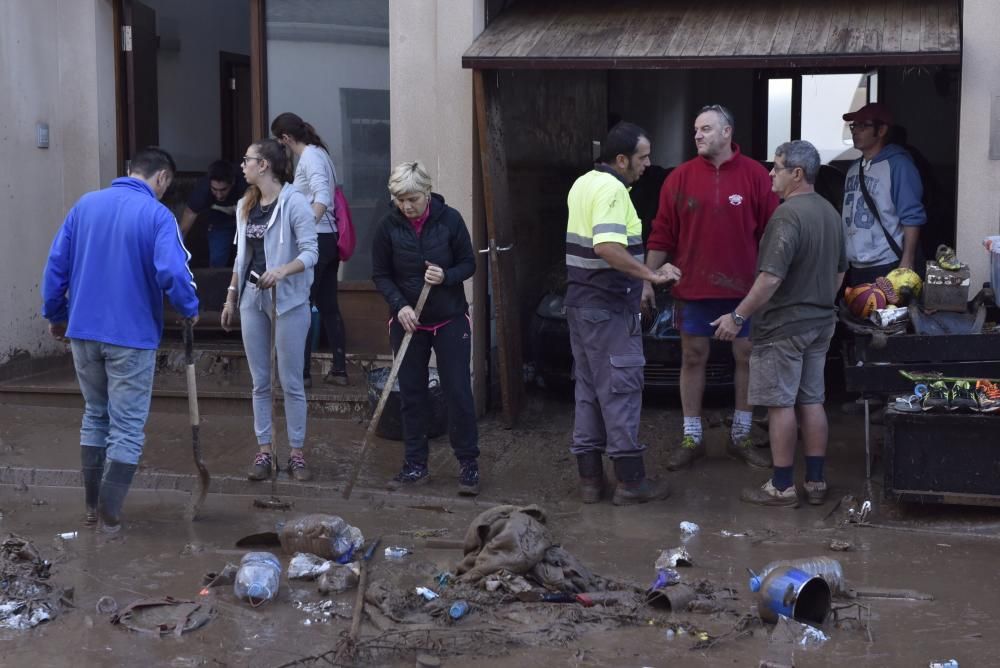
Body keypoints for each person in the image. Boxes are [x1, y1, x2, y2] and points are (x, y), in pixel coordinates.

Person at [41, 147, 199, 533]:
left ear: (129, 171)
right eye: (166, 185)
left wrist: (57, 316)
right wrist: (189, 307)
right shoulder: (158, 215)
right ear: (161, 178)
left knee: (95, 415)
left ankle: (92, 509)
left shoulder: (85, 206)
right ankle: (110, 515)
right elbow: (174, 273)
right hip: (132, 336)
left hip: (83, 331)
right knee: (126, 426)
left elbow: (56, 266)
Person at [711, 140, 847, 507]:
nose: (771, 173)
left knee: (780, 404)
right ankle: (816, 483)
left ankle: (782, 486)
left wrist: (738, 316)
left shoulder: (788, 215)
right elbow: (839, 273)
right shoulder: (830, 214)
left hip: (784, 327)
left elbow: (770, 278)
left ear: (797, 174)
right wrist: (819, 302)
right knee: (812, 399)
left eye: (778, 167)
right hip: (820, 323)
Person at [644, 104, 779, 471]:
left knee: (747, 357)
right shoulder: (679, 178)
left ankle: (741, 436)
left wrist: (771, 282)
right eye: (695, 130)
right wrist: (646, 278)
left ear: (727, 132)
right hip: (693, 288)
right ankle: (692, 437)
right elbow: (661, 234)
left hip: (745, 290)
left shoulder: (755, 176)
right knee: (692, 358)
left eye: (705, 129)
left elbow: (773, 233)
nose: (698, 135)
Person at [565, 122, 680, 506]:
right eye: (642, 157)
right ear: (621, 159)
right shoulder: (614, 190)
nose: (648, 164)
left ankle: (590, 482)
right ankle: (631, 483)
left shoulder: (583, 183)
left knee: (588, 393)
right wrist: (651, 275)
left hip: (581, 306)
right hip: (609, 308)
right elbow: (607, 247)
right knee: (621, 392)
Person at [372, 161, 480, 496]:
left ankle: (468, 465)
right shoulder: (388, 226)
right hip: (408, 322)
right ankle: (415, 465)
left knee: (458, 391)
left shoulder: (450, 220)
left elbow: (469, 263)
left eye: (412, 198)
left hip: (449, 318)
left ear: (427, 192)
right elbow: (381, 274)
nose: (406, 206)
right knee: (411, 395)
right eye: (400, 199)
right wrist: (399, 305)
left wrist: (446, 275)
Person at [220, 139, 318, 482]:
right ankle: (265, 450)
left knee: (291, 381)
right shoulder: (245, 205)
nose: (243, 165)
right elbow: (240, 256)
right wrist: (231, 296)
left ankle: (296, 453)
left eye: (248, 160)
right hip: (252, 298)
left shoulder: (296, 204)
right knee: (260, 381)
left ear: (264, 165)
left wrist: (282, 270)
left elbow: (310, 253)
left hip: (289, 301)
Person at [271, 112, 348, 388]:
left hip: (317, 240)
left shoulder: (311, 157)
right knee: (328, 305)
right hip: (328, 239)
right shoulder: (321, 154)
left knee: (301, 306)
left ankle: (301, 374)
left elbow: (322, 199)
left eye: (279, 142)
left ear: (286, 138)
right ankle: (339, 370)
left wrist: (304, 233)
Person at [841, 102, 926, 285]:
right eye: (854, 126)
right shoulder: (853, 168)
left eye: (863, 125)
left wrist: (907, 260)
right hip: (855, 264)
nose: (855, 131)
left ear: (881, 130)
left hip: (887, 263)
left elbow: (911, 216)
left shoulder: (899, 166)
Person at [178, 160, 247, 268]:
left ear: (232, 182)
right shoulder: (202, 192)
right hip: (220, 220)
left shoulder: (246, 181)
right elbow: (183, 228)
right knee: (217, 259)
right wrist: (176, 248)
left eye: (223, 190)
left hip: (248, 218)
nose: (219, 195)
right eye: (214, 189)